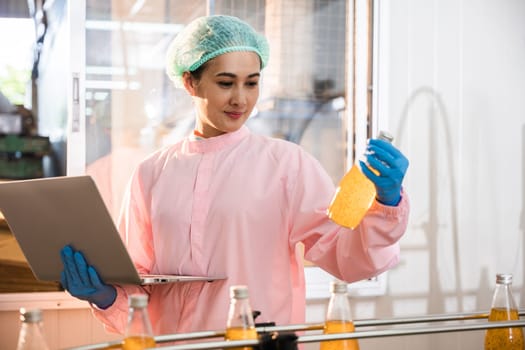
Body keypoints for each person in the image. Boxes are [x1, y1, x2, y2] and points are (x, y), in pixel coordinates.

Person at [60, 15, 410, 337]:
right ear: (190, 82)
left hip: (258, 342)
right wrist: (106, 295)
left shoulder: (286, 164)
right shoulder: (151, 173)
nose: (241, 99)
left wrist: (386, 202)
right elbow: (140, 284)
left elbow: (346, 257)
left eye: (251, 83)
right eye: (226, 83)